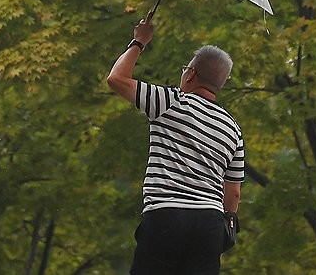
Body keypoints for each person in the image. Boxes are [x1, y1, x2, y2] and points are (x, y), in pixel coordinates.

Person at [105, 19, 245, 275]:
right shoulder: (233, 129)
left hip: (166, 217)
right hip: (209, 227)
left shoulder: (170, 102)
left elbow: (116, 78)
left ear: (190, 74)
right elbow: (233, 195)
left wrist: (139, 41)